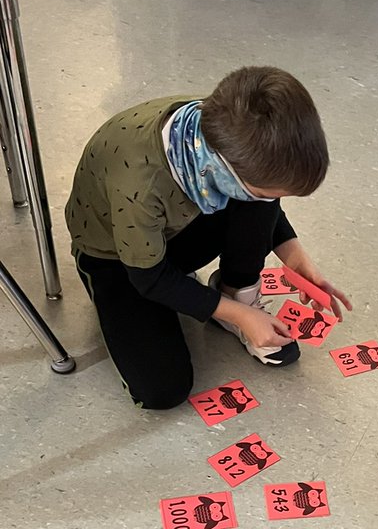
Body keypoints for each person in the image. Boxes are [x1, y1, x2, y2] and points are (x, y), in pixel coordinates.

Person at [66, 66, 351, 410]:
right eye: (266, 193)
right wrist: (241, 318)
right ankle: (227, 307)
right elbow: (149, 278)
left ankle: (236, 292)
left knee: (256, 195)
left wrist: (295, 258)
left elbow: (260, 200)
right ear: (221, 171)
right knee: (162, 390)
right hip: (117, 259)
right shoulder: (141, 185)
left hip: (179, 226)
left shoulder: (228, 133)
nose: (269, 200)